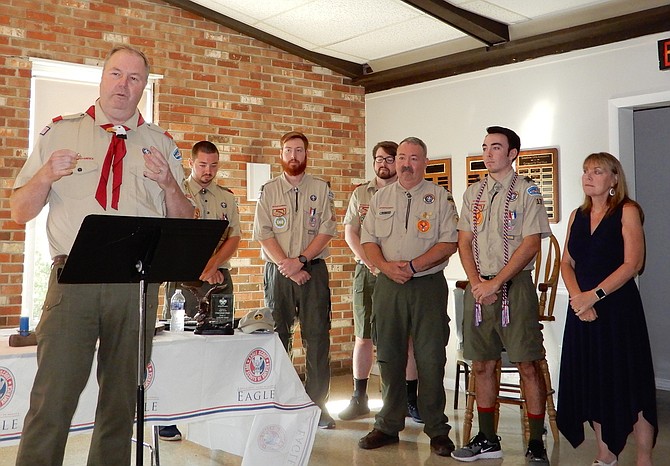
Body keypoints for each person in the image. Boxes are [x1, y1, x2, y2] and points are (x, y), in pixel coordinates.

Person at [10, 45, 194, 465]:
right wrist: (44, 174)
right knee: (52, 397)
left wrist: (169, 185)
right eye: (116, 74)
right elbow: (20, 212)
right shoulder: (59, 132)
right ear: (102, 77)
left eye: (134, 78)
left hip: (136, 287)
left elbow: (184, 220)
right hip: (72, 283)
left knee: (120, 403)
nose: (123, 85)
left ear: (144, 88)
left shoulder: (162, 144)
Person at [453, 126, 551, 464]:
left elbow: (530, 243)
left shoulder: (527, 191)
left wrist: (496, 283)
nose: (488, 152)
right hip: (479, 288)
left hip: (514, 287)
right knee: (482, 364)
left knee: (527, 364)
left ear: (512, 154)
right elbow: (464, 241)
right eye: (485, 147)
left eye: (496, 147)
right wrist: (477, 282)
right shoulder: (473, 194)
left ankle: (536, 441)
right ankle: (487, 438)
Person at [358, 136, 459, 456]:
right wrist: (387, 267)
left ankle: (437, 429)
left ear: (424, 163)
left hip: (427, 285)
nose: (405, 163)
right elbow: (368, 241)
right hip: (388, 284)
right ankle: (387, 424)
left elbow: (449, 243)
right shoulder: (380, 197)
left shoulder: (440, 197)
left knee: (430, 357)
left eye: (413, 158)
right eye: (401, 157)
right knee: (388, 356)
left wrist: (413, 266)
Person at [557, 152, 657, 466]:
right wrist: (578, 298)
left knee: (630, 382)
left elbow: (633, 264)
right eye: (585, 170)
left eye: (597, 171)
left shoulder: (627, 211)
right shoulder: (577, 214)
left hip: (617, 311)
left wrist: (594, 296)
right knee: (595, 382)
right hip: (582, 311)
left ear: (614, 178)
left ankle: (644, 458)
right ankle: (605, 455)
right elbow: (566, 262)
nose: (588, 176)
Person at [252, 131, 337, 429]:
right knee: (278, 337)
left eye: (299, 150)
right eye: (288, 150)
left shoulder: (321, 188)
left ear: (306, 154)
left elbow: (327, 229)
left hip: (312, 271)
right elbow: (263, 233)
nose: (294, 156)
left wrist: (300, 261)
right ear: (281, 154)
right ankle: (283, 400)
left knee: (317, 339)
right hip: (278, 273)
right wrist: (287, 266)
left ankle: (317, 406)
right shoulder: (269, 190)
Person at [159, 140, 241, 441]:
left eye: (214, 165)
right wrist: (200, 267)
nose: (208, 171)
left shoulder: (226, 197)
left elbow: (234, 237)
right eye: (203, 165)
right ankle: (168, 416)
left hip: (218, 277)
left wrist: (213, 266)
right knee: (179, 346)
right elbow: (171, 232)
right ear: (192, 163)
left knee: (218, 345)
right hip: (183, 278)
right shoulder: (177, 192)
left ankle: (211, 409)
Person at [340, 140, 423, 423]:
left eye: (389, 159)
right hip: (368, 272)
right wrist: (371, 261)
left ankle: (410, 400)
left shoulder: (407, 192)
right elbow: (351, 232)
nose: (383, 164)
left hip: (400, 274)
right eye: (379, 159)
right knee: (363, 336)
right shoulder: (361, 193)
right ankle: (359, 397)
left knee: (406, 339)